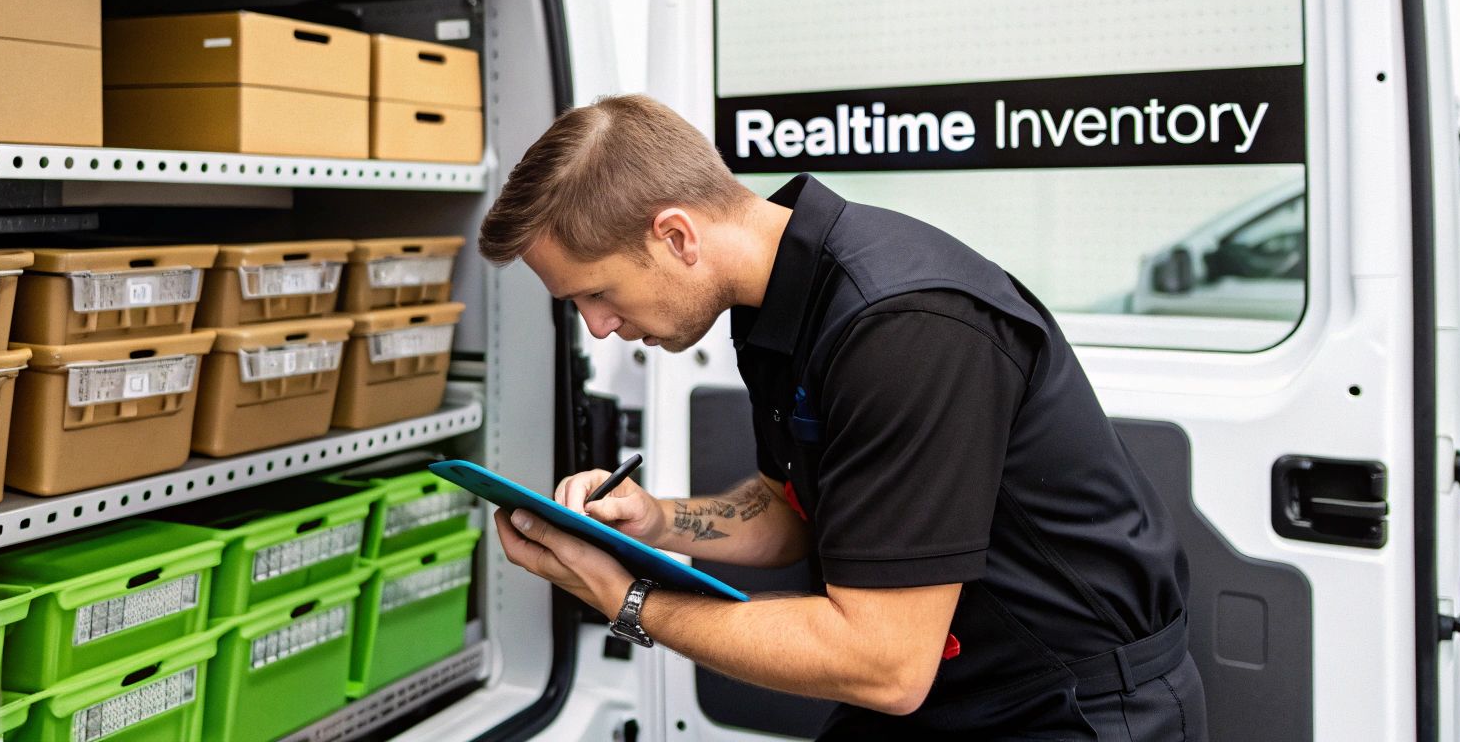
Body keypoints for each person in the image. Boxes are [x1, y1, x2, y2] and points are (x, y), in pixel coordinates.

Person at [478, 94, 1208, 740]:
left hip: (1070, 705)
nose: (597, 327)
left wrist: (627, 599)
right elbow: (791, 511)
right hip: (941, 686)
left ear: (676, 236)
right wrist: (655, 520)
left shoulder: (904, 326)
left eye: (595, 292)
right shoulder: (773, 304)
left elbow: (884, 664)